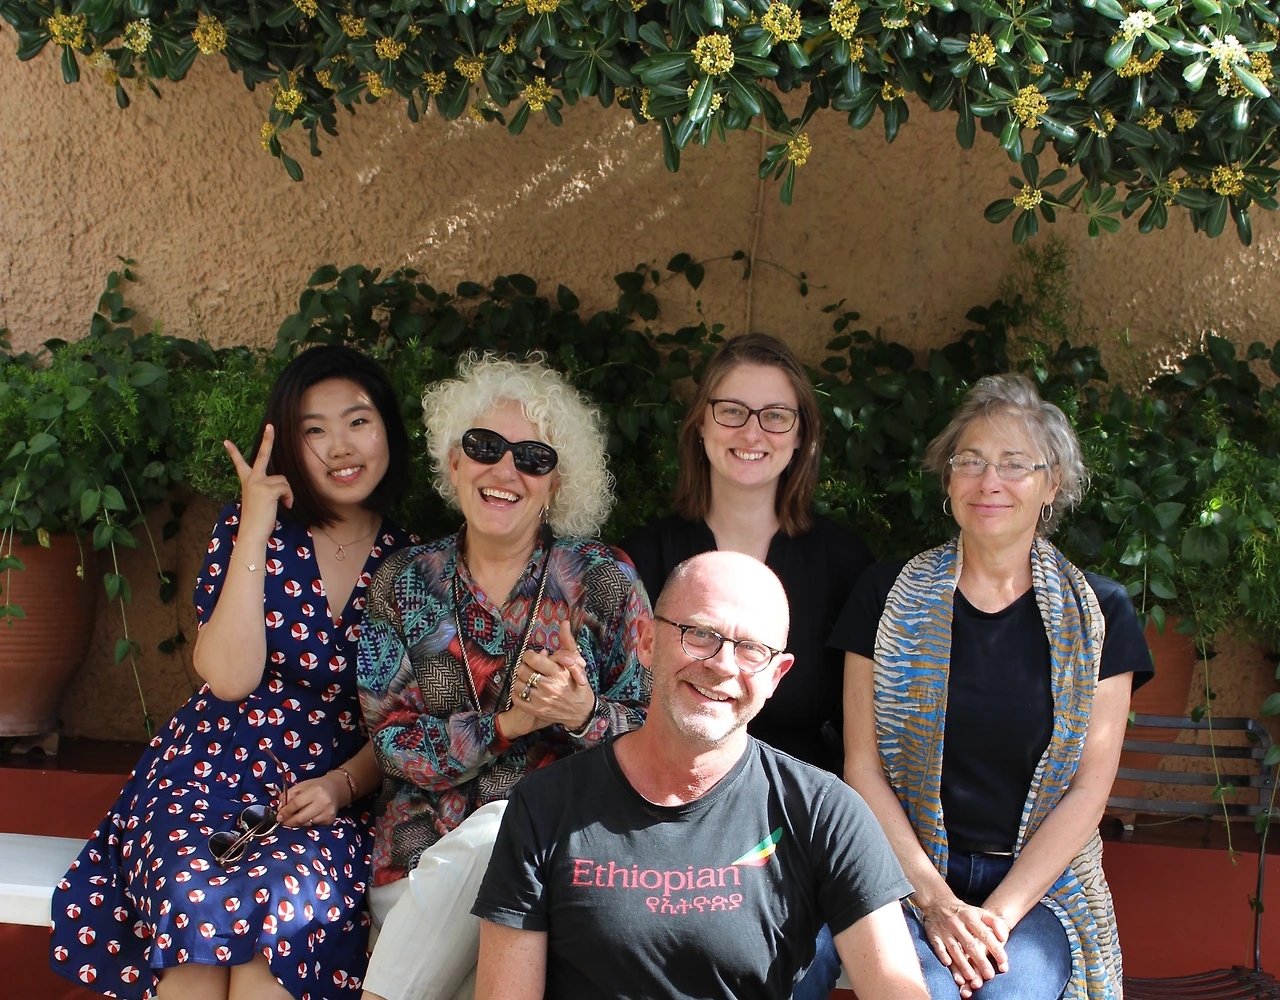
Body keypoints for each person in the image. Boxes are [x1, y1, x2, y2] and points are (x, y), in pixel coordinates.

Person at [49, 345, 417, 999]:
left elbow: (405, 721)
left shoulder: (415, 564)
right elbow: (228, 678)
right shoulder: (249, 529)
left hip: (326, 794)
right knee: (193, 907)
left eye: (358, 421)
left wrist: (339, 788)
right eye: (314, 430)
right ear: (289, 448)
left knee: (281, 923)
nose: (340, 446)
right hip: (208, 771)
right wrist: (255, 526)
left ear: (388, 429)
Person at [470, 551, 928, 1000]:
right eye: (701, 634)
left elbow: (896, 986)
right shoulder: (546, 805)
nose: (723, 665)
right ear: (647, 642)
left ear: (776, 676)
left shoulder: (823, 812)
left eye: (752, 649)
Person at [831, 373, 1153, 1000]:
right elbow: (862, 767)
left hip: (1042, 890)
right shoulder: (884, 595)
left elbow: (1089, 790)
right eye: (970, 461)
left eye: (1014, 464)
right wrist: (936, 901)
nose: (989, 481)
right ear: (949, 480)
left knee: (1011, 991)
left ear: (1052, 484)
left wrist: (995, 919)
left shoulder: (1101, 613)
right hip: (902, 876)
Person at [356, 354, 651, 1000]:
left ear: (555, 484)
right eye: (485, 446)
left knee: (505, 829)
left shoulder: (602, 581)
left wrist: (581, 713)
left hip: (559, 867)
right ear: (454, 462)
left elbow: (653, 735)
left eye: (533, 458)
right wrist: (508, 724)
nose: (505, 470)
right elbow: (392, 744)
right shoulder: (404, 582)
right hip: (419, 859)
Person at [622, 333, 873, 773]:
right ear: (701, 424)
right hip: (662, 794)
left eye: (775, 415)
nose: (752, 432)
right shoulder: (640, 559)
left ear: (801, 435)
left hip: (796, 802)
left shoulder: (845, 565)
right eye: (732, 411)